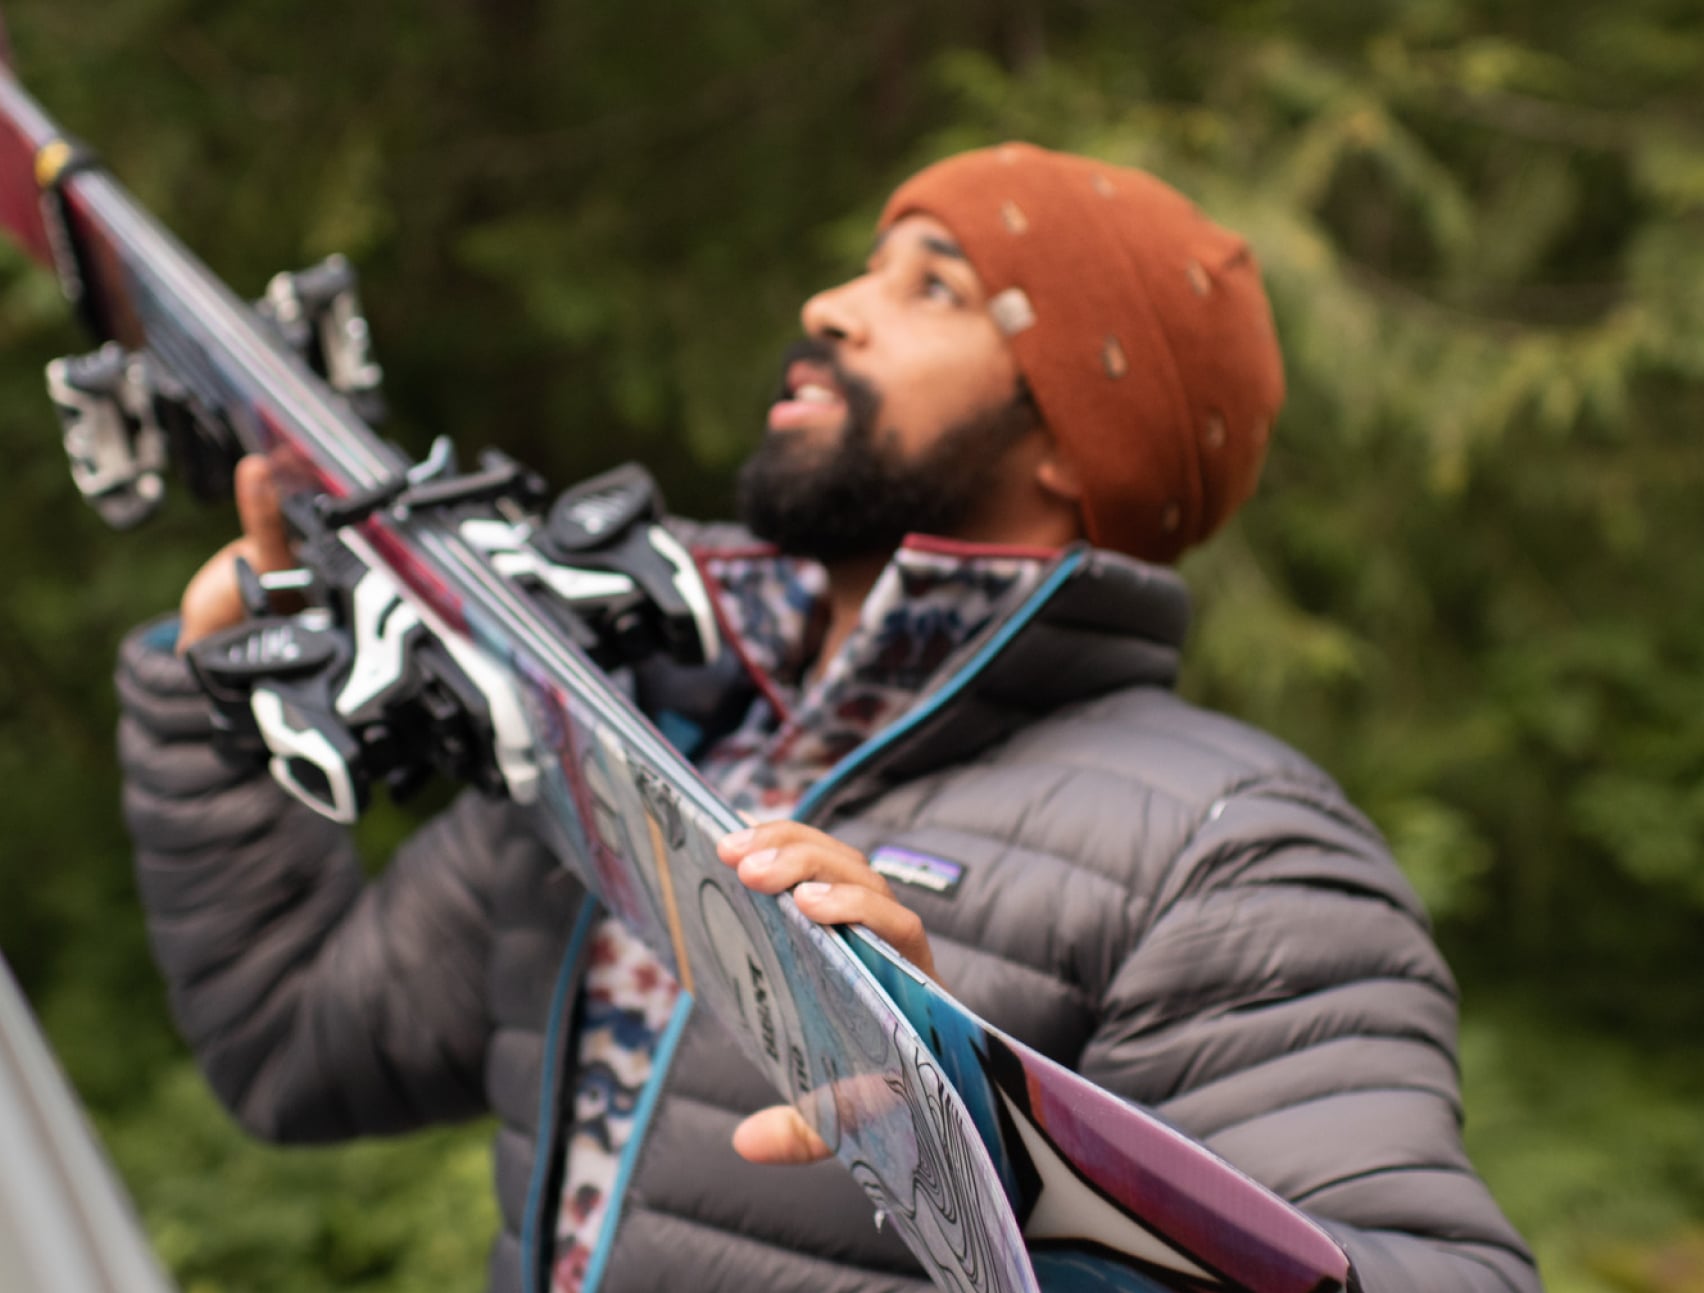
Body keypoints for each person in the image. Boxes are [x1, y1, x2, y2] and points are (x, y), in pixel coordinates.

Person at [117, 143, 1540, 1293]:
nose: (832, 305)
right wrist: (210, 692)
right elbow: (294, 1045)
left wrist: (990, 1130)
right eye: (864, 265)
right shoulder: (639, 730)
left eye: (936, 288)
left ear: (1076, 433)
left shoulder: (1231, 844)